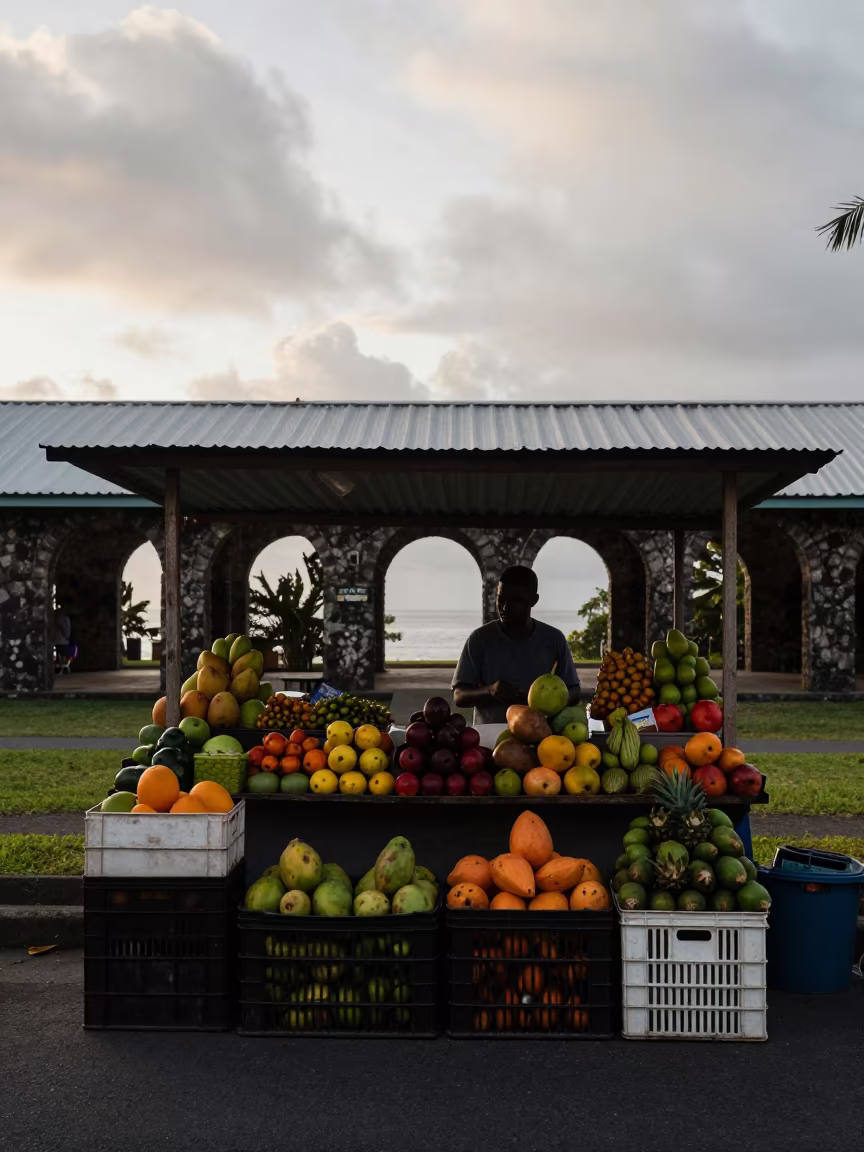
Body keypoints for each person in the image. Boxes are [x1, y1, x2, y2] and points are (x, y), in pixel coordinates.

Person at [452, 566, 581, 726]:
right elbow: (459, 695)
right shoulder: (479, 639)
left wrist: (545, 702)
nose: (504, 608)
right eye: (501, 599)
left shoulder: (554, 639)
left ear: (533, 600)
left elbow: (574, 691)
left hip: (538, 737)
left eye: (515, 600)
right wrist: (490, 690)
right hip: (489, 738)